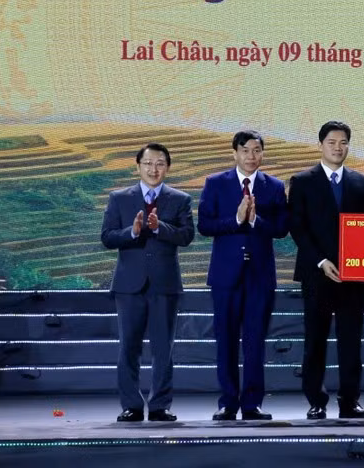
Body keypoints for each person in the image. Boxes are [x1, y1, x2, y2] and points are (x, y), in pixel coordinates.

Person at [197, 130, 288, 421]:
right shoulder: (215, 184)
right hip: (226, 277)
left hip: (259, 277)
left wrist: (255, 220)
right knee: (225, 340)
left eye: (257, 150)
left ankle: (252, 404)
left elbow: (280, 229)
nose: (252, 156)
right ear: (234, 152)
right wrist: (236, 220)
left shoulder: (273, 186)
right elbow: (205, 225)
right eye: (246, 150)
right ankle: (227, 402)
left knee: (255, 341)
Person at [288, 121, 364, 419]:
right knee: (315, 340)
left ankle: (350, 401)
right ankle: (316, 400)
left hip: (352, 276)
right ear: (320, 145)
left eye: (343, 142)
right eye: (332, 142)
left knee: (351, 341)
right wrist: (322, 261)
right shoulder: (301, 181)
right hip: (317, 273)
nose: (338, 147)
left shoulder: (361, 182)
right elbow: (297, 228)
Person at [101, 143, 194, 422]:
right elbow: (107, 237)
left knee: (164, 349)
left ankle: (159, 406)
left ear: (168, 167)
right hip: (129, 286)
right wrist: (133, 231)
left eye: (160, 164)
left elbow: (187, 236)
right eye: (149, 164)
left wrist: (158, 228)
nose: (154, 169)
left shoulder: (180, 199)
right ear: (138, 166)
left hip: (165, 286)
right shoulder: (119, 198)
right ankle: (130, 405)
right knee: (128, 347)